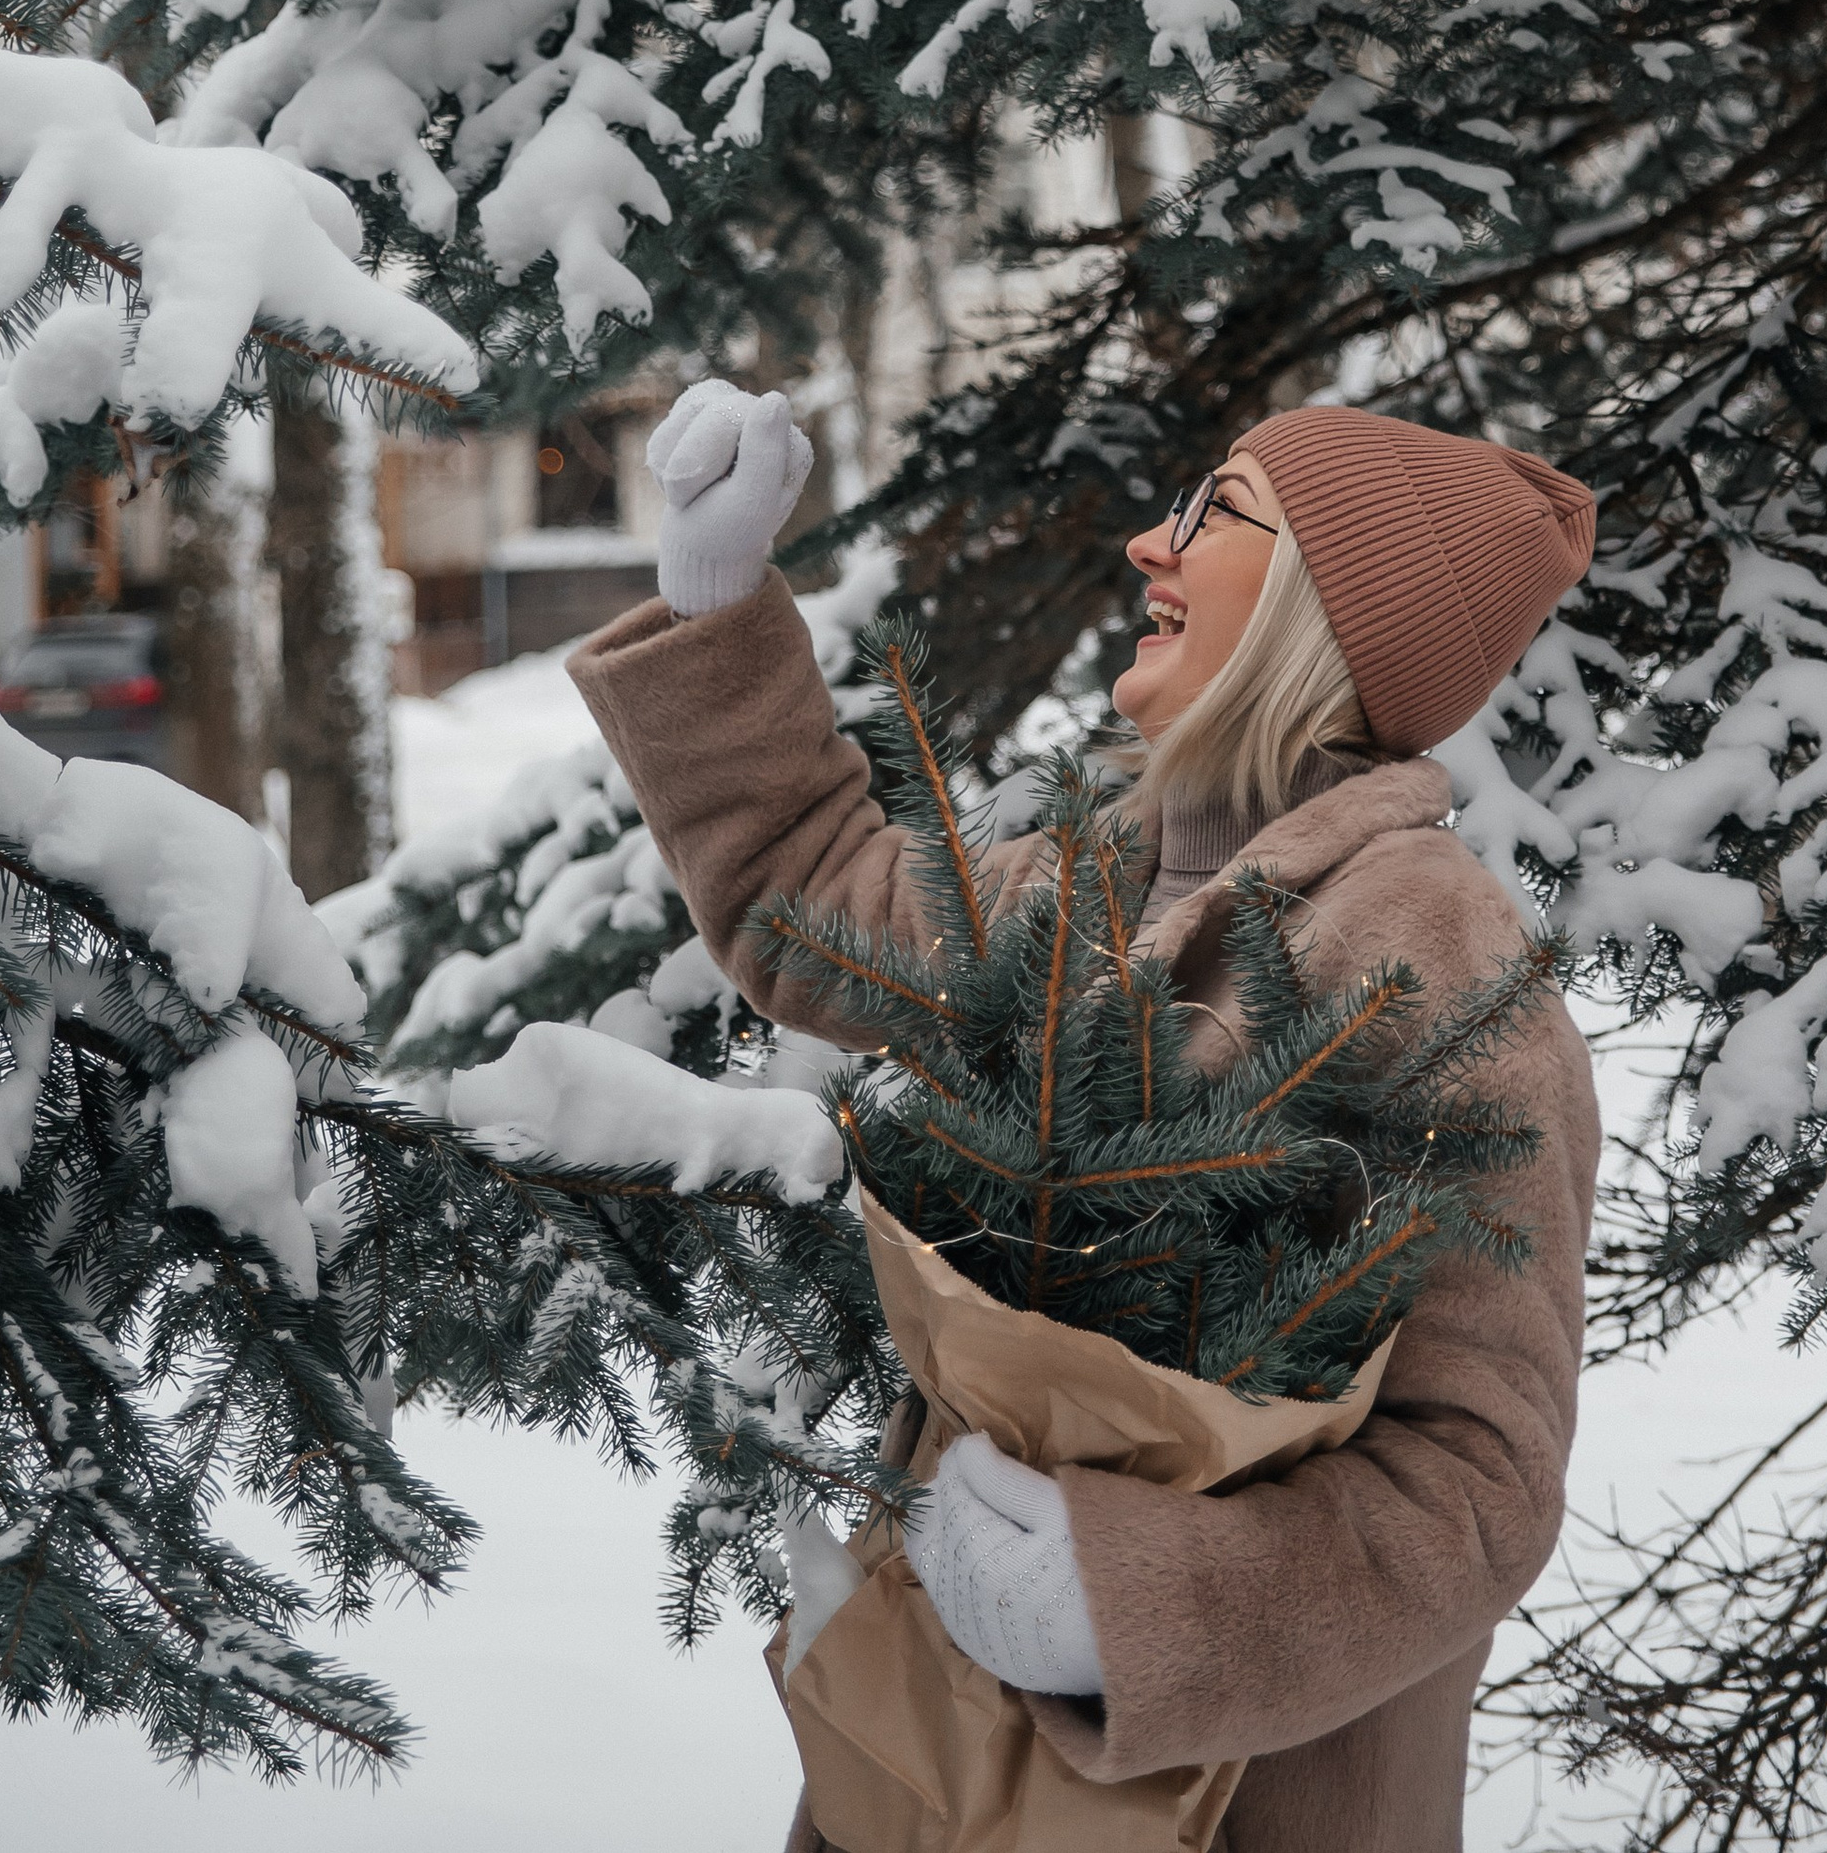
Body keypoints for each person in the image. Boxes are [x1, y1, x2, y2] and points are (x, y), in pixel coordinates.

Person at [570, 385, 1602, 1853]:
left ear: (1328, 611)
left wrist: (1129, 1606)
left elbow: (1478, 1483)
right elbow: (814, 907)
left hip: (1246, 1807)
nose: (1147, 543)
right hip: (949, 1769)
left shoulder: (1426, 948)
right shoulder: (1090, 888)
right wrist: (720, 595)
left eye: (1214, 512)